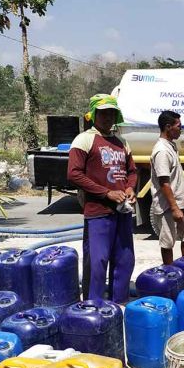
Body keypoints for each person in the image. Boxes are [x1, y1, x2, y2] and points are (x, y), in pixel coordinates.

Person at [67, 94, 137, 304]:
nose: (108, 117)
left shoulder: (121, 142)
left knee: (125, 260)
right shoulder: (84, 140)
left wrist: (130, 187)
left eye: (111, 113)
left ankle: (119, 302)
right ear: (93, 115)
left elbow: (132, 171)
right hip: (98, 212)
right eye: (103, 113)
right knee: (97, 262)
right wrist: (106, 193)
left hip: (122, 212)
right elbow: (74, 174)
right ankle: (93, 305)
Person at [150, 110, 184, 265]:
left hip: (182, 203)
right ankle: (170, 273)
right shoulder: (162, 150)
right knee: (168, 242)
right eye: (178, 126)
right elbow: (164, 182)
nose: (181, 129)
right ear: (168, 127)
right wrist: (174, 207)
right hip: (168, 207)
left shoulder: (171, 146)